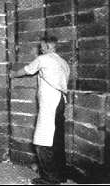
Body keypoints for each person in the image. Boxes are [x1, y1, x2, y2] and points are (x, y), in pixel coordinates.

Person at [10, 35, 70, 185]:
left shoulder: (44, 59)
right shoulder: (63, 62)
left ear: (49, 47)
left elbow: (27, 70)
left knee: (42, 140)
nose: (40, 49)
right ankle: (61, 175)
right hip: (61, 101)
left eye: (42, 46)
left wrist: (12, 74)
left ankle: (50, 178)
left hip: (50, 102)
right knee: (57, 140)